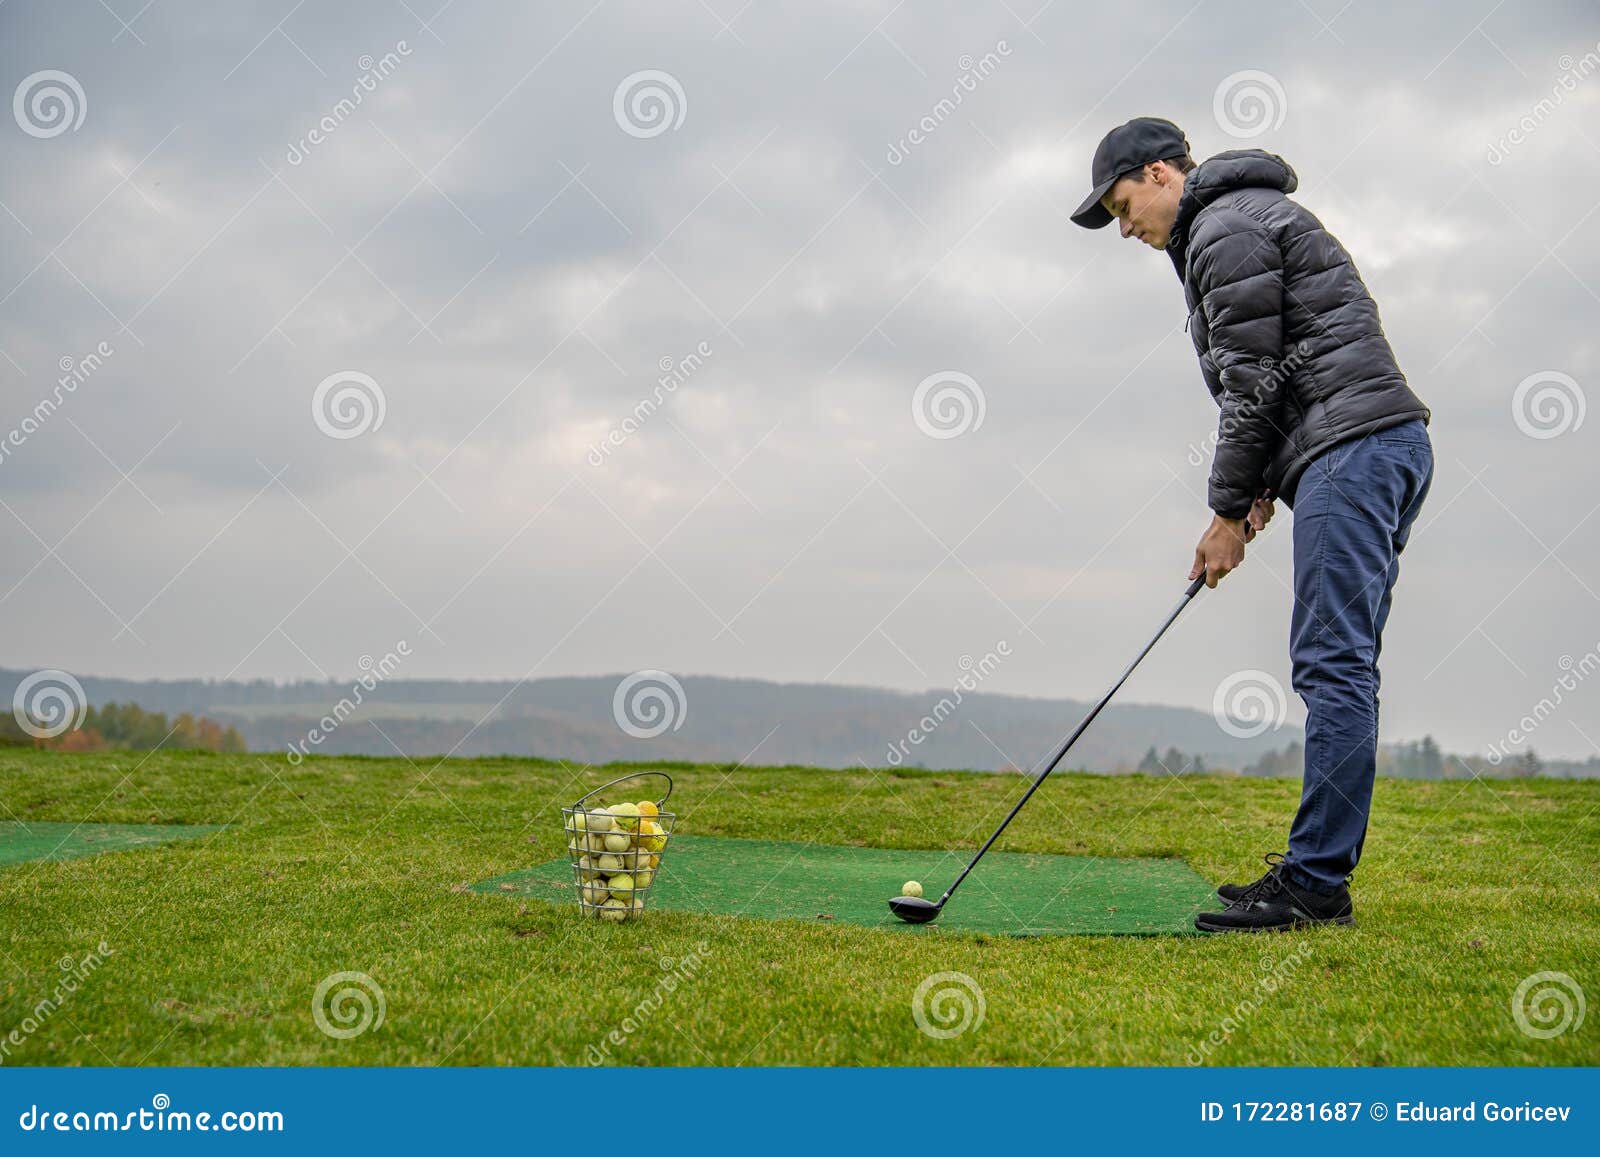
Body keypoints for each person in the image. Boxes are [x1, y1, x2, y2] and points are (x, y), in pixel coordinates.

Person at [1072, 117, 1433, 933]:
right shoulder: (1238, 219)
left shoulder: (1221, 229)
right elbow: (1288, 366)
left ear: (1161, 174)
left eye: (1124, 207)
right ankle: (1315, 874)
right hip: (1374, 447)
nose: (1126, 229)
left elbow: (1254, 386)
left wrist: (1229, 512)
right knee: (1342, 667)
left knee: (1332, 668)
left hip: (1356, 450)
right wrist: (1268, 479)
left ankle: (1313, 889)